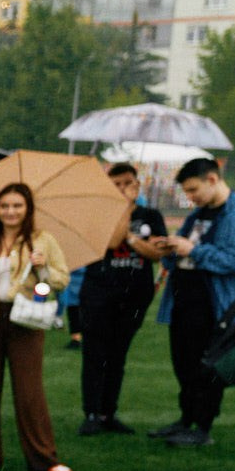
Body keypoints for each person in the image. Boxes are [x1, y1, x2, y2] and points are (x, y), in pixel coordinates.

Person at [0, 182, 73, 471]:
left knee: (29, 390)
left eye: (17, 206)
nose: (10, 211)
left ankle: (43, 457)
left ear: (28, 209)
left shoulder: (42, 240)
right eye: (5, 206)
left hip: (25, 319)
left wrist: (43, 267)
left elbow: (61, 280)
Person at [153, 156, 235, 448]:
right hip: (185, 300)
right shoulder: (200, 213)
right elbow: (187, 246)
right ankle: (185, 419)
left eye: (193, 190)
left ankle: (202, 427)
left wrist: (193, 250)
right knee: (184, 362)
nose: (190, 198)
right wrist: (170, 247)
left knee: (206, 366)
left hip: (214, 305)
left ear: (212, 179)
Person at [79, 161, 168, 436]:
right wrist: (125, 215)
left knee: (118, 355)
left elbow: (157, 253)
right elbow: (111, 240)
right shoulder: (97, 213)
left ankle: (109, 412)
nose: (121, 189)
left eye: (126, 183)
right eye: (115, 184)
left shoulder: (151, 215)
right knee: (96, 354)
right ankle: (92, 412)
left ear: (136, 183)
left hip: (134, 294)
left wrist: (131, 240)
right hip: (99, 292)